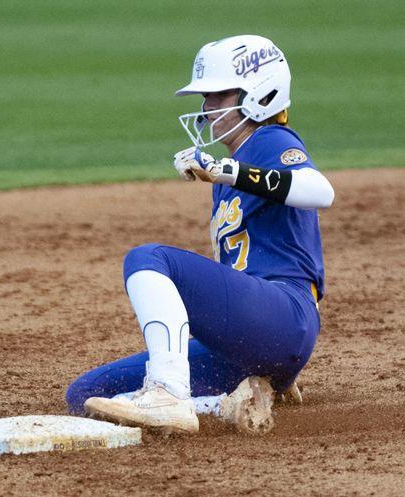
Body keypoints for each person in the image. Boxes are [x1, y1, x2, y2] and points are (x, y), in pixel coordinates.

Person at [65, 35, 334, 434]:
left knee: (148, 258)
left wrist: (227, 169)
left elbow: (320, 191)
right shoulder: (229, 170)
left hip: (285, 317)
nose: (207, 109)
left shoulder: (269, 141)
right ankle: (238, 400)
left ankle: (168, 394)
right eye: (205, 98)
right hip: (254, 345)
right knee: (86, 393)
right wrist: (226, 171)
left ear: (261, 95)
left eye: (218, 95)